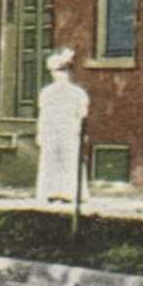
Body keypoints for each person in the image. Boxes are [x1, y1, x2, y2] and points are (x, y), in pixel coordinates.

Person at [36, 47, 89, 203]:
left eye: (62, 72)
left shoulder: (77, 93)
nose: (59, 76)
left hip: (69, 129)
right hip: (52, 129)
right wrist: (41, 132)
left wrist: (78, 129)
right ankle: (52, 191)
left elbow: (82, 113)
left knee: (69, 159)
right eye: (56, 72)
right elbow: (43, 114)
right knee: (52, 159)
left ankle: (70, 192)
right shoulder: (47, 93)